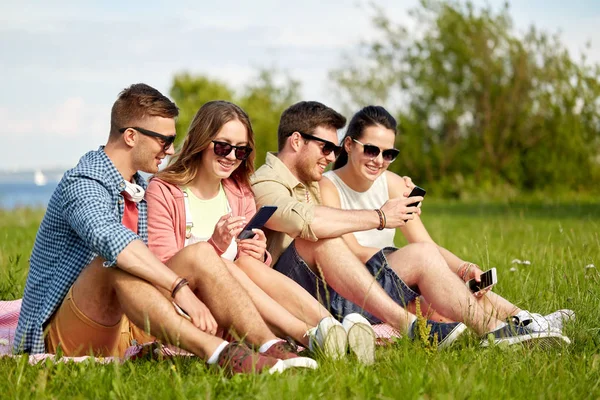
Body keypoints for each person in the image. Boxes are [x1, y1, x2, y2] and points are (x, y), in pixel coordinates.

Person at [13, 84, 317, 375]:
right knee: (114, 263)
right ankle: (220, 353)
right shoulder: (84, 183)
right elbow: (112, 240)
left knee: (199, 253)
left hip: (134, 325)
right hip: (69, 331)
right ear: (131, 136)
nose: (171, 150)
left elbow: (168, 259)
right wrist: (178, 288)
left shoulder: (141, 188)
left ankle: (269, 346)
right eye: (164, 140)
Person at [251, 101, 568, 348]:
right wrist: (381, 217)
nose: (331, 157)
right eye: (327, 148)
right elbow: (304, 222)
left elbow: (422, 240)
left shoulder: (313, 181)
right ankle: (453, 327)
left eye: (389, 153)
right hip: (303, 289)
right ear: (296, 141)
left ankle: (510, 323)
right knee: (325, 239)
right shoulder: (269, 182)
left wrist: (459, 266)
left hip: (336, 282)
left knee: (427, 260)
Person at [146, 100, 376, 364]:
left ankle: (328, 328)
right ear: (202, 141)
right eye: (223, 146)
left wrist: (259, 253)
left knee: (245, 262)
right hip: (184, 303)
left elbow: (251, 267)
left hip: (237, 305)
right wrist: (215, 246)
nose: (231, 156)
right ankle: (308, 335)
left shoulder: (239, 191)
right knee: (219, 260)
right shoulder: (164, 190)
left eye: (241, 151)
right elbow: (162, 266)